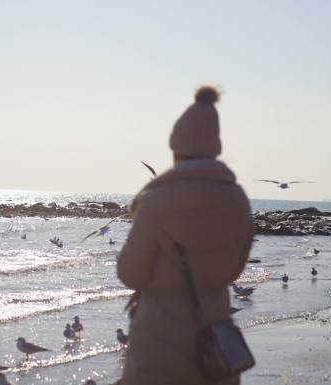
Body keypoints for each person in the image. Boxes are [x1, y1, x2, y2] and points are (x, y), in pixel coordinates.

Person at [117, 86, 254, 385]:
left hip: (159, 345)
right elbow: (235, 269)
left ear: (176, 149)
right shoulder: (238, 199)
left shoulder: (155, 200)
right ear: (214, 147)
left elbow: (130, 275)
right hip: (214, 345)